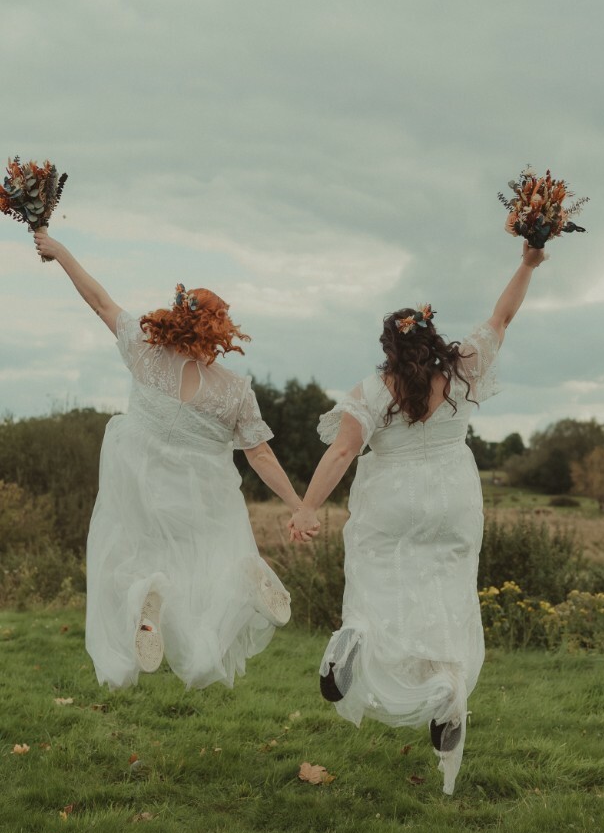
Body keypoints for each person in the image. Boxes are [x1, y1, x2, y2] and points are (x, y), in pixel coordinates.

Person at [289, 241, 546, 794]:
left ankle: (356, 634)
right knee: (447, 593)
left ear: (389, 348)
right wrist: (527, 262)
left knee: (375, 574)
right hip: (453, 498)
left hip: (392, 497)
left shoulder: (372, 391)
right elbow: (502, 316)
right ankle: (447, 691)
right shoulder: (461, 373)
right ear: (432, 340)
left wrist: (309, 507)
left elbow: (340, 453)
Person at [33, 230, 314, 691]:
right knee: (205, 568)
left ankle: (146, 592)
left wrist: (60, 250)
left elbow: (100, 300)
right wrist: (297, 504)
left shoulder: (145, 355)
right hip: (201, 492)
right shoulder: (234, 389)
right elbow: (259, 454)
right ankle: (246, 578)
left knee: (124, 554)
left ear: (177, 316)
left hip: (140, 481)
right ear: (221, 330)